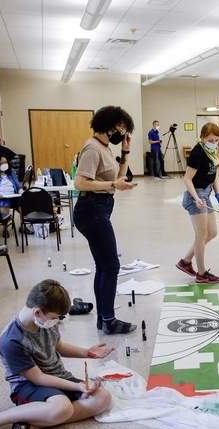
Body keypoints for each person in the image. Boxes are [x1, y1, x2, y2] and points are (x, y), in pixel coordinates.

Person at [0, 280, 113, 429]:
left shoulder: (45, 321)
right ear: (37, 312)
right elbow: (38, 378)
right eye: (54, 318)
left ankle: (34, 424)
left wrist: (87, 352)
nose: (56, 321)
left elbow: (57, 345)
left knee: (103, 398)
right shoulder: (11, 340)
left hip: (57, 378)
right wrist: (78, 386)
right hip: (28, 385)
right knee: (63, 408)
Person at [73, 105, 137, 335]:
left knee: (103, 265)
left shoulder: (105, 147)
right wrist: (112, 185)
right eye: (122, 128)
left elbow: (118, 178)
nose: (123, 133)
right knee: (111, 266)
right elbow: (79, 183)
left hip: (100, 207)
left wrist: (126, 153)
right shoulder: (92, 148)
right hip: (91, 209)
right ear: (110, 126)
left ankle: (104, 317)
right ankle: (109, 320)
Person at [176, 123, 219, 283]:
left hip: (206, 193)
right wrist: (196, 197)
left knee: (212, 233)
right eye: (210, 139)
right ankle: (202, 273)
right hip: (195, 195)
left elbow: (213, 174)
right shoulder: (198, 152)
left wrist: (218, 193)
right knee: (201, 235)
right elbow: (187, 178)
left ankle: (185, 262)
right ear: (203, 138)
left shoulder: (212, 152)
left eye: (216, 139)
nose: (214, 142)